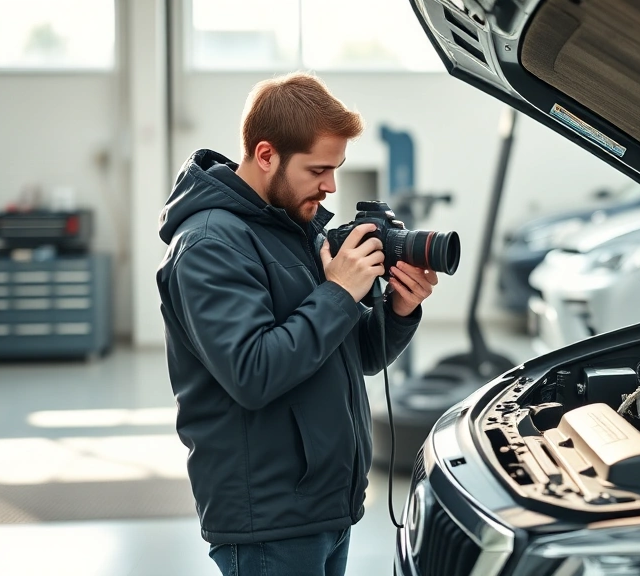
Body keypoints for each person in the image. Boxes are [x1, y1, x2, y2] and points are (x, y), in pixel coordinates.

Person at [156, 72, 437, 576]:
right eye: (318, 170)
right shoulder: (208, 246)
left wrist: (398, 310)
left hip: (326, 505)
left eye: (337, 168)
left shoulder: (295, 227)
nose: (331, 186)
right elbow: (253, 372)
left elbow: (353, 354)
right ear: (266, 155)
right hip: (269, 520)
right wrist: (338, 292)